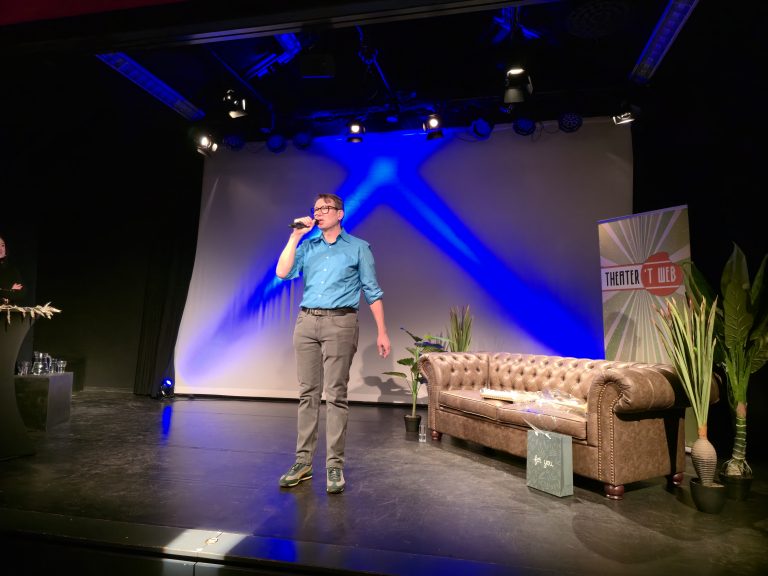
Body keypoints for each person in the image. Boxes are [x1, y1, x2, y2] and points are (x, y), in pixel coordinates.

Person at [275, 193, 391, 494]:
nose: (319, 212)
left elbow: (372, 291)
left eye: (325, 208)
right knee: (307, 393)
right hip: (306, 322)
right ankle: (303, 462)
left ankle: (334, 465)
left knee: (336, 394)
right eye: (316, 209)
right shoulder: (307, 246)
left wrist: (382, 331)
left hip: (340, 323)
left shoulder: (358, 247)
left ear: (340, 213)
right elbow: (282, 272)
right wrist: (295, 236)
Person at [0, 235, 26, 305]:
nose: (0, 249)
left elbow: (21, 294)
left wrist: (2, 289)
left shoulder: (12, 270)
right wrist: (10, 288)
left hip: (8, 310)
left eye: (2, 245)